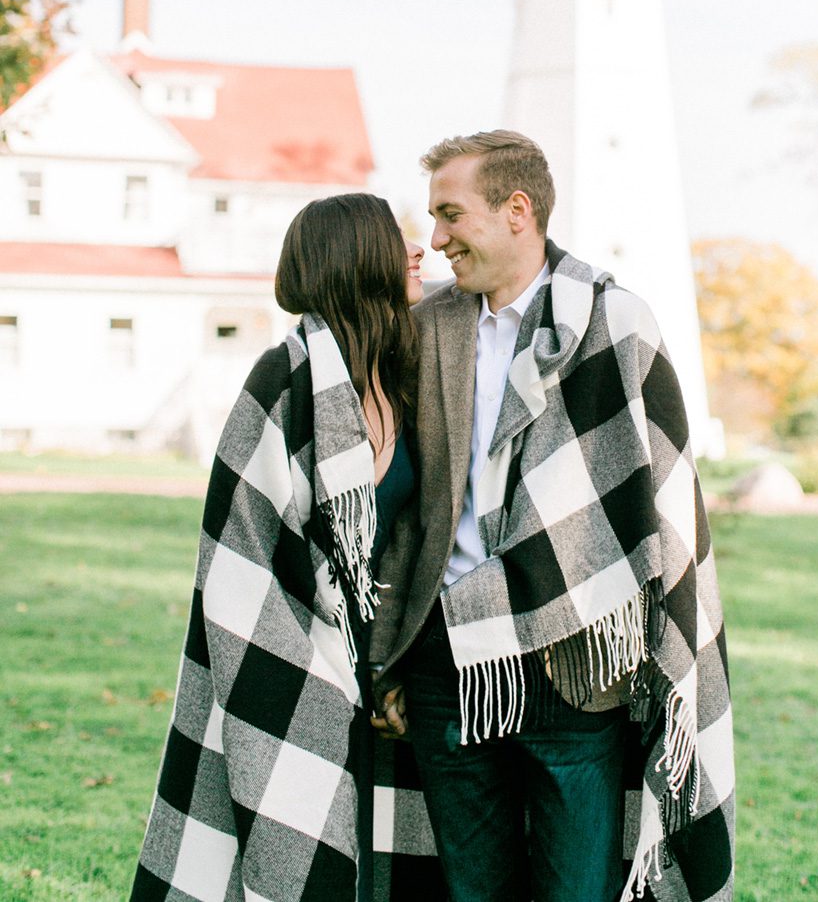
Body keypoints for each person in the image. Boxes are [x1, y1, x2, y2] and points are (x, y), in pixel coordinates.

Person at [370, 132, 735, 902]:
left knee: (576, 889)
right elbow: (408, 511)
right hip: (447, 653)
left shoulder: (615, 325)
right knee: (469, 889)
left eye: (449, 214)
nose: (434, 240)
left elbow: (660, 497)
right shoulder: (428, 327)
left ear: (516, 210)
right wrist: (391, 653)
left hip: (574, 655)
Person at [132, 193, 444, 902]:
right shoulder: (284, 379)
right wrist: (323, 667)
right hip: (285, 651)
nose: (419, 248)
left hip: (380, 657)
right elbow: (240, 543)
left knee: (386, 854)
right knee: (296, 846)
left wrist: (387, 661)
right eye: (398, 240)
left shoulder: (398, 375)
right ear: (357, 258)